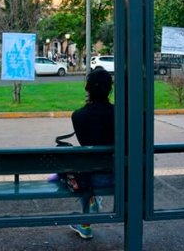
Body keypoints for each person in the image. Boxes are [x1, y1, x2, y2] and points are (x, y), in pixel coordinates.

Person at [69, 68, 115, 240]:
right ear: (110, 89)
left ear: (87, 89)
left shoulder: (78, 117)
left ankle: (86, 221)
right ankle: (92, 207)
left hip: (92, 179)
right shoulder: (121, 114)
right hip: (121, 175)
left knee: (82, 168)